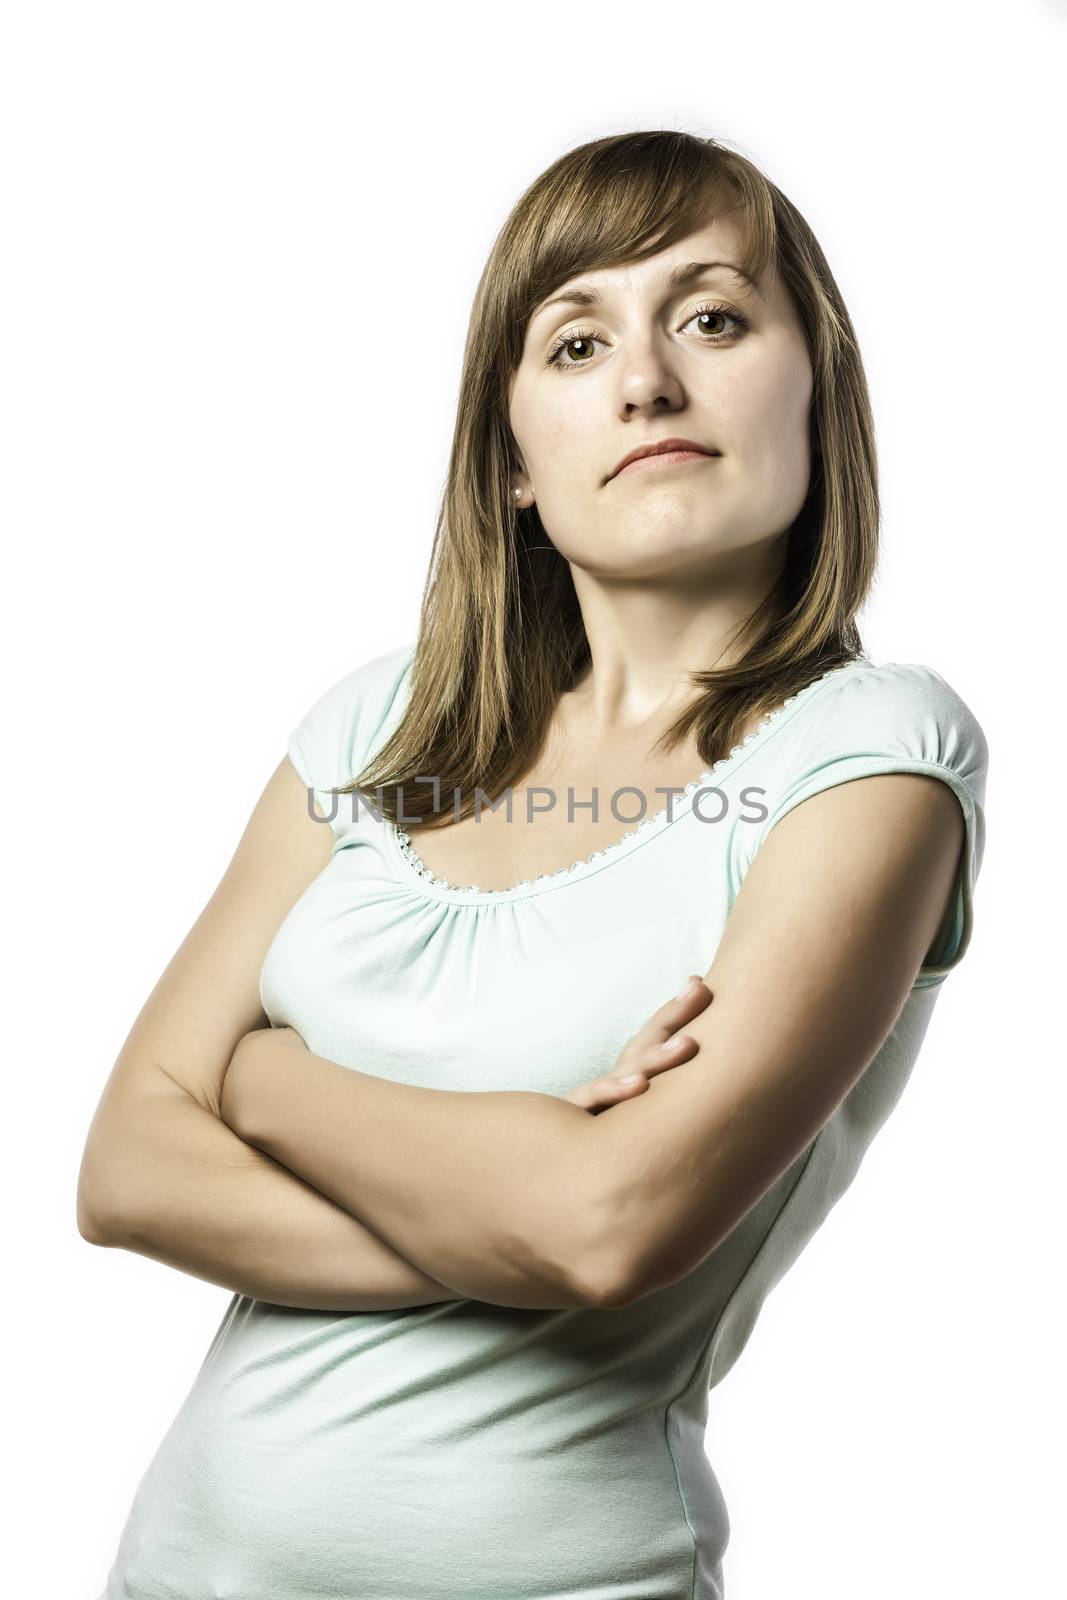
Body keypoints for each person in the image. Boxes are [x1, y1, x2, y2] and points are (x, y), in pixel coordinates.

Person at [80, 129, 988, 1598]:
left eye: (712, 316)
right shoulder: (379, 724)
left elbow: (607, 1224)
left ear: (816, 385)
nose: (646, 380)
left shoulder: (873, 756)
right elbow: (124, 1167)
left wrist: (262, 1081)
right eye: (576, 340)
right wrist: (501, 1201)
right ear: (511, 458)